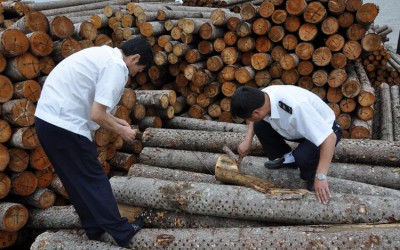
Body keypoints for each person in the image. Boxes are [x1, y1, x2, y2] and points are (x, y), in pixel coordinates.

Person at [34, 37, 153, 247]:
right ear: (134, 58)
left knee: (76, 180)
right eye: (140, 68)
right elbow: (97, 114)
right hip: (64, 124)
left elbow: (94, 106)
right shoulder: (116, 67)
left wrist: (116, 121)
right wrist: (122, 132)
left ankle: (94, 228)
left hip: (47, 121)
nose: (137, 74)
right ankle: (123, 232)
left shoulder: (103, 55)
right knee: (94, 177)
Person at [231, 85, 342, 205]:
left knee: (303, 157)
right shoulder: (261, 97)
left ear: (256, 112)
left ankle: (312, 176)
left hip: (325, 130)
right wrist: (248, 140)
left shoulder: (297, 107)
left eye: (249, 118)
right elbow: (254, 120)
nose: (250, 121)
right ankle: (288, 159)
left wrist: (321, 176)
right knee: (259, 126)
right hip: (299, 130)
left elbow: (330, 138)